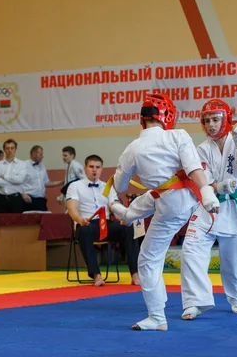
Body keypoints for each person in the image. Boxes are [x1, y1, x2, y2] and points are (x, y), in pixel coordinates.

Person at [107, 93, 220, 331]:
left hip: (171, 205)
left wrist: (122, 175)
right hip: (181, 196)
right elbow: (193, 168)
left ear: (142, 119)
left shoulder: (133, 148)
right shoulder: (178, 135)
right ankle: (127, 215)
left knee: (147, 260)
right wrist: (206, 192)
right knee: (152, 196)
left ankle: (157, 317)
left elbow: (120, 187)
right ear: (167, 116)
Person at [180, 99, 237, 320]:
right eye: (207, 121)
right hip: (208, 204)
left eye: (216, 119)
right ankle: (194, 302)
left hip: (234, 206)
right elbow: (200, 178)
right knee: (191, 249)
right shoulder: (201, 149)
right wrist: (217, 186)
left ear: (226, 119)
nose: (211, 125)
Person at [66, 154, 140, 286]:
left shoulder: (108, 186)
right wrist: (79, 219)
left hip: (105, 224)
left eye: (97, 167)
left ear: (101, 169)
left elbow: (114, 206)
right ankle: (96, 275)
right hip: (86, 223)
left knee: (129, 229)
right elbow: (72, 208)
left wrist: (125, 217)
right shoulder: (75, 186)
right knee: (84, 230)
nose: (94, 170)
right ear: (85, 168)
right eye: (91, 167)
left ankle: (135, 274)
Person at [22, 146, 63, 212]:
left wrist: (62, 182)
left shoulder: (42, 165)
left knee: (44, 220)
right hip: (29, 200)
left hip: (41, 200)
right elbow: (17, 183)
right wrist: (23, 195)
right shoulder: (23, 165)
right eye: (40, 154)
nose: (42, 156)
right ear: (33, 154)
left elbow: (46, 183)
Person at [0, 139, 26, 213]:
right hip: (0, 199)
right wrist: (13, 181)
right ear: (4, 150)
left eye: (12, 148)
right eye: (7, 148)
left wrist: (4, 177)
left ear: (15, 149)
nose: (9, 150)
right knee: (0, 223)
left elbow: (20, 180)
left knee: (16, 223)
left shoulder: (22, 164)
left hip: (16, 199)